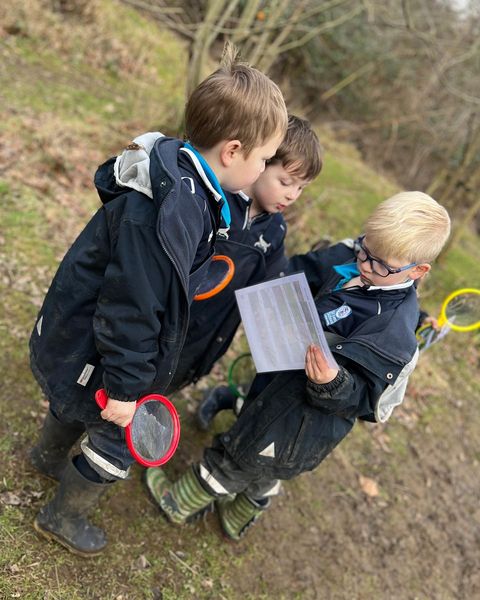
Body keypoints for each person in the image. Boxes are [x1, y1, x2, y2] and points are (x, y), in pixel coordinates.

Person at [28, 44, 288, 556]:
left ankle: (46, 457)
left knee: (77, 399)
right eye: (262, 160)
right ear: (232, 151)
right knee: (113, 435)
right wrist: (126, 388)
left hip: (90, 338)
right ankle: (62, 516)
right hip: (101, 343)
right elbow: (131, 306)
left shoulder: (191, 184)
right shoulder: (169, 212)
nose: (261, 173)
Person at [145, 192, 451, 541]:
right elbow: (304, 270)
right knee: (265, 465)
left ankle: (178, 503)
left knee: (236, 457)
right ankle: (242, 513)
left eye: (381, 265)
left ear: (418, 270)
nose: (365, 264)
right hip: (280, 383)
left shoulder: (390, 332)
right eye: (366, 249)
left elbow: (367, 398)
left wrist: (333, 383)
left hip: (302, 419)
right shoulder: (357, 260)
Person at [165, 115, 323, 428]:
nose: (292, 195)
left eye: (301, 188)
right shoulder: (215, 200)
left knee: (171, 380)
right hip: (172, 319)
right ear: (261, 163)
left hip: (209, 334)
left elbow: (271, 288)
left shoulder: (275, 230)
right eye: (286, 182)